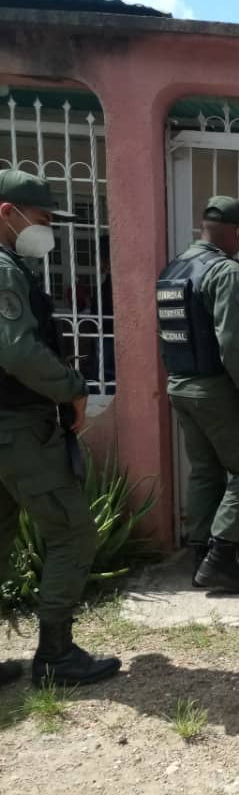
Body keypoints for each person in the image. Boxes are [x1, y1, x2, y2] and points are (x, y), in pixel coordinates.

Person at [0, 169, 121, 687]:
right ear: (8, 213)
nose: (47, 230)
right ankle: (55, 655)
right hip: (17, 428)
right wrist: (72, 388)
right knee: (73, 532)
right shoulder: (4, 271)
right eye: (43, 218)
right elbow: (17, 351)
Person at [156, 196, 239, 594]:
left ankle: (200, 559)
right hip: (217, 389)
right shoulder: (226, 271)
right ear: (238, 232)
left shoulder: (174, 269)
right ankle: (220, 559)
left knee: (205, 471)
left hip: (180, 385)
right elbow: (233, 343)